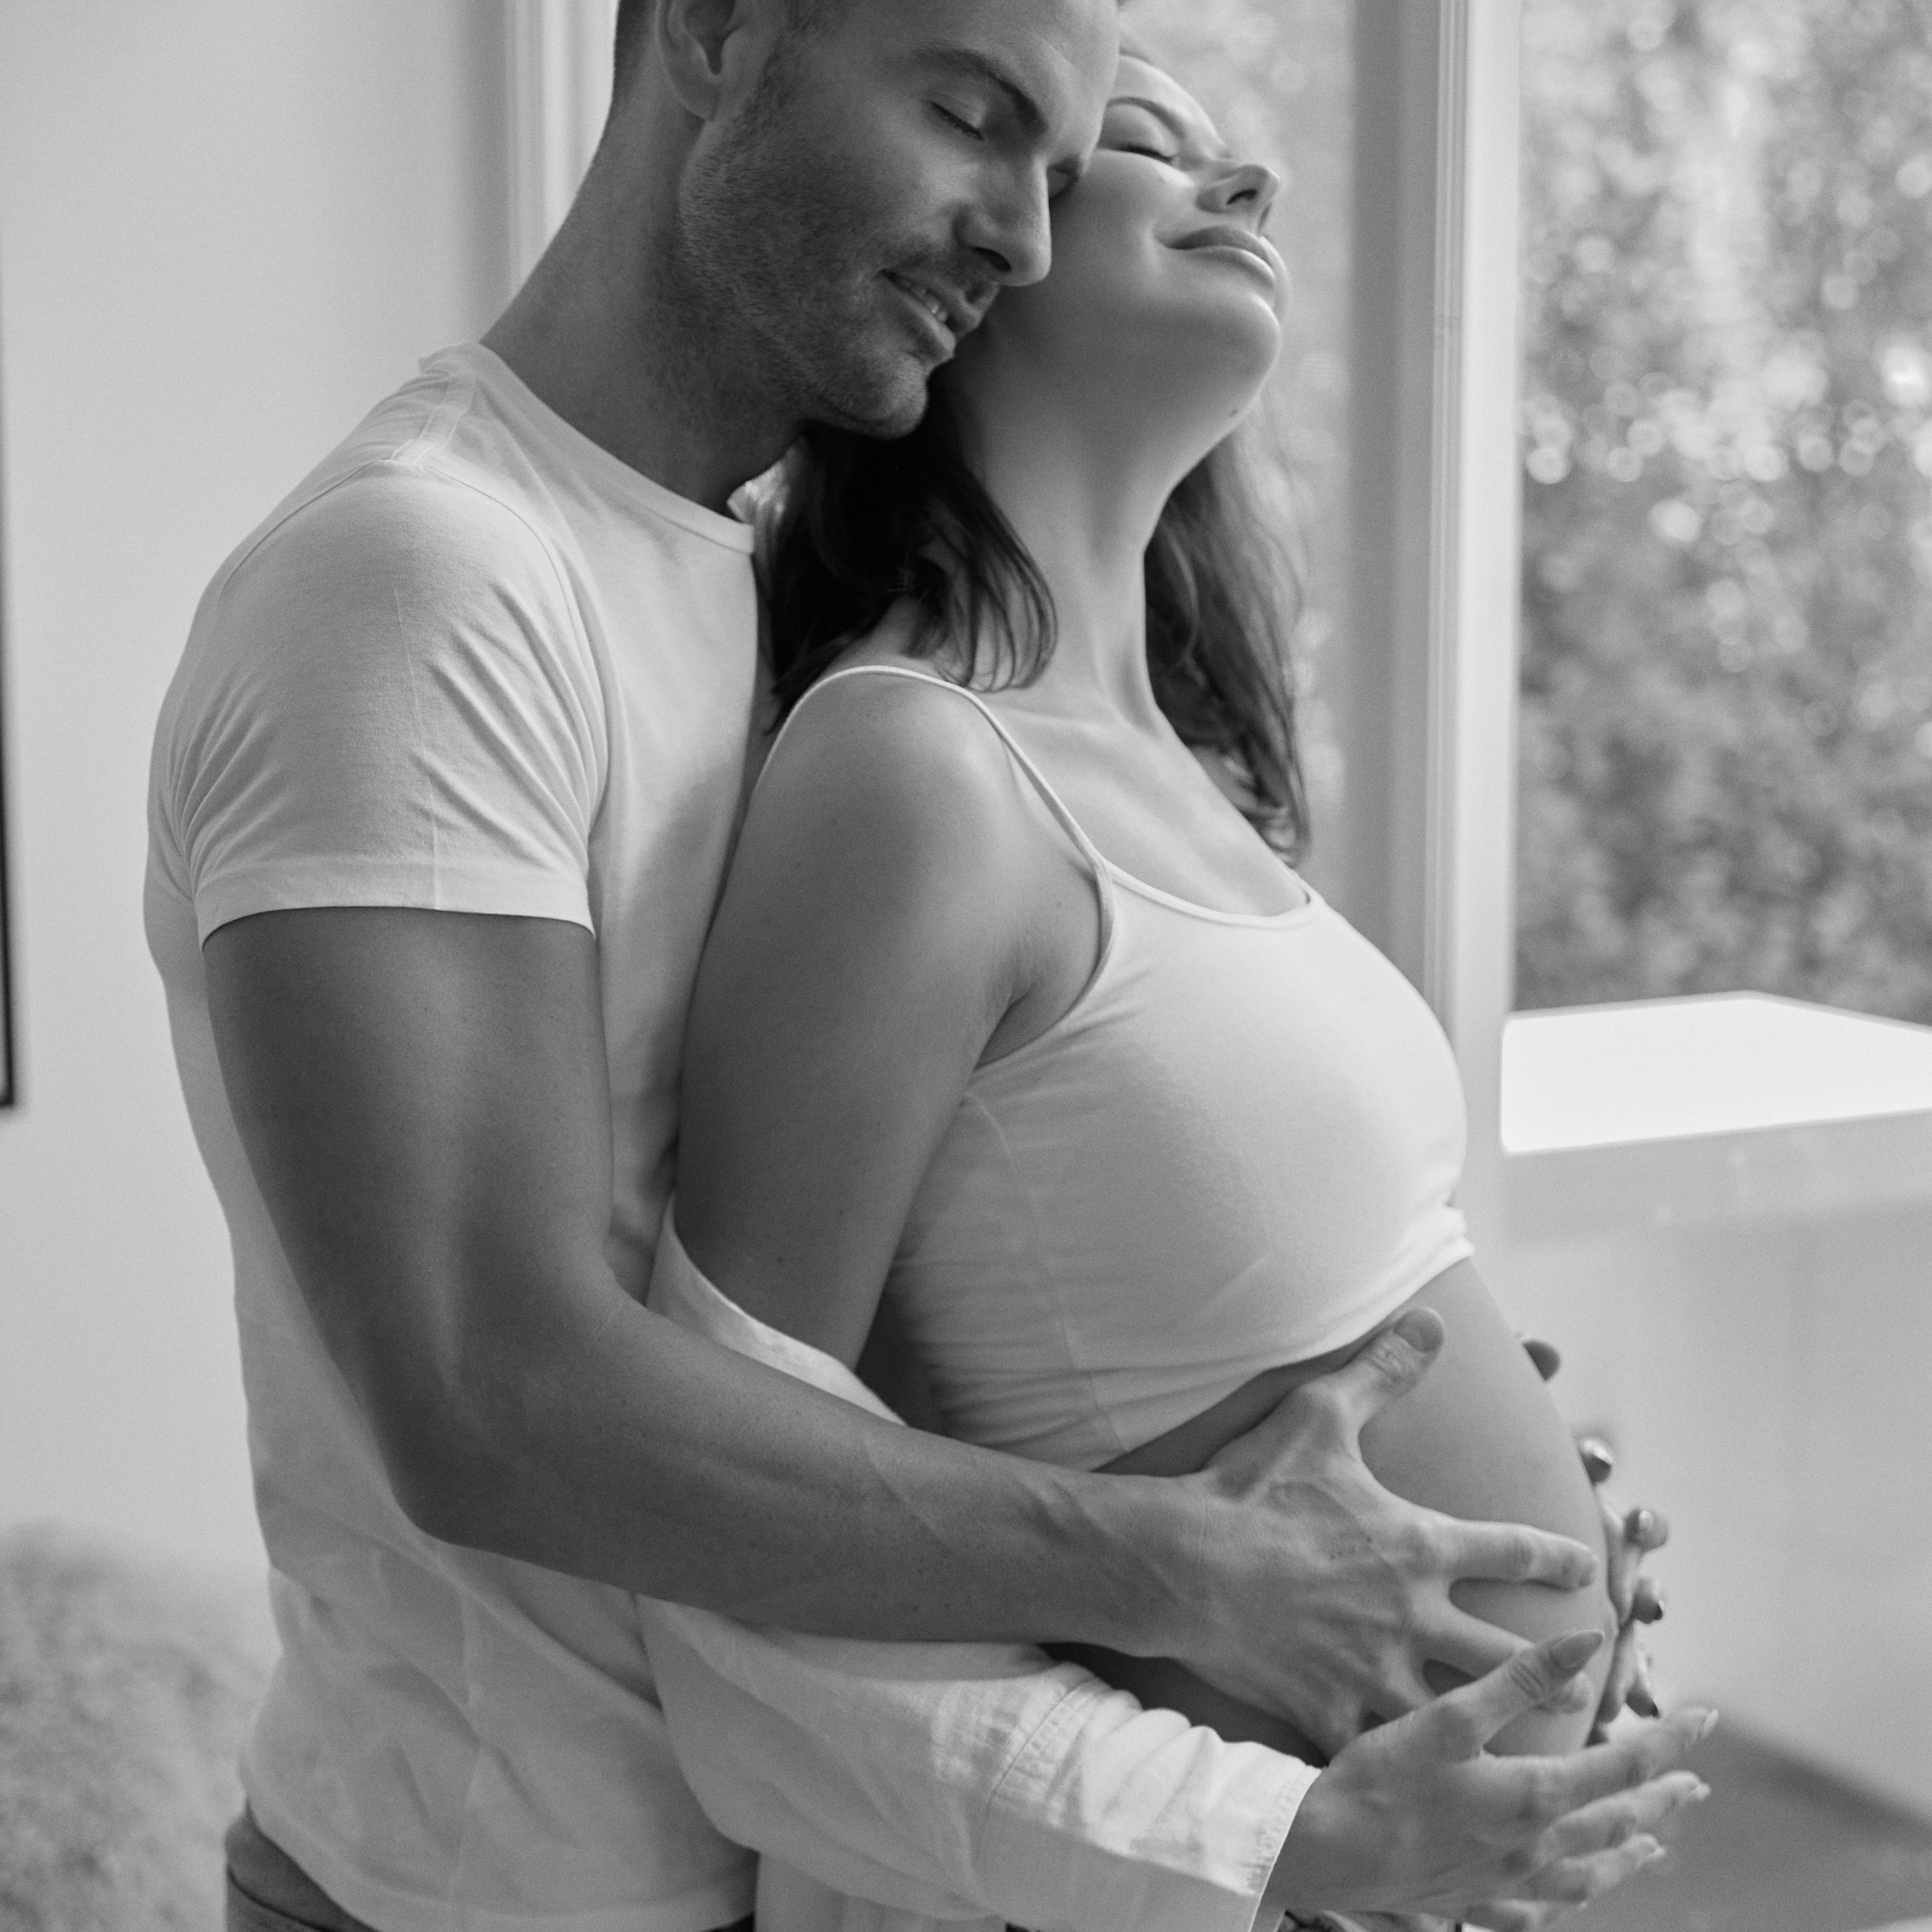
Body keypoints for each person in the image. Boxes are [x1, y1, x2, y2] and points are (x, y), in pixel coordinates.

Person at [142, 2, 1684, 1928]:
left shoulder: (724, 592)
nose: (1024, 238)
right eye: (969, 117)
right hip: (490, 1885)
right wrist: (1201, 1565)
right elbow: (487, 1391)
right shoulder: (424, 574)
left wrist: (1388, 1505)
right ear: (711, 32)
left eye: (1059, 169)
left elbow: (878, 1344)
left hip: (784, 1863)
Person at [638, 36, 1710, 1932]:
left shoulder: (1187, 778)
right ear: (976, 263)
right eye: (1142, 146)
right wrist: (1285, 1814)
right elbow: (733, 1525)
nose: (1251, 191)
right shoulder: (912, 768)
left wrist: (1484, 1512)